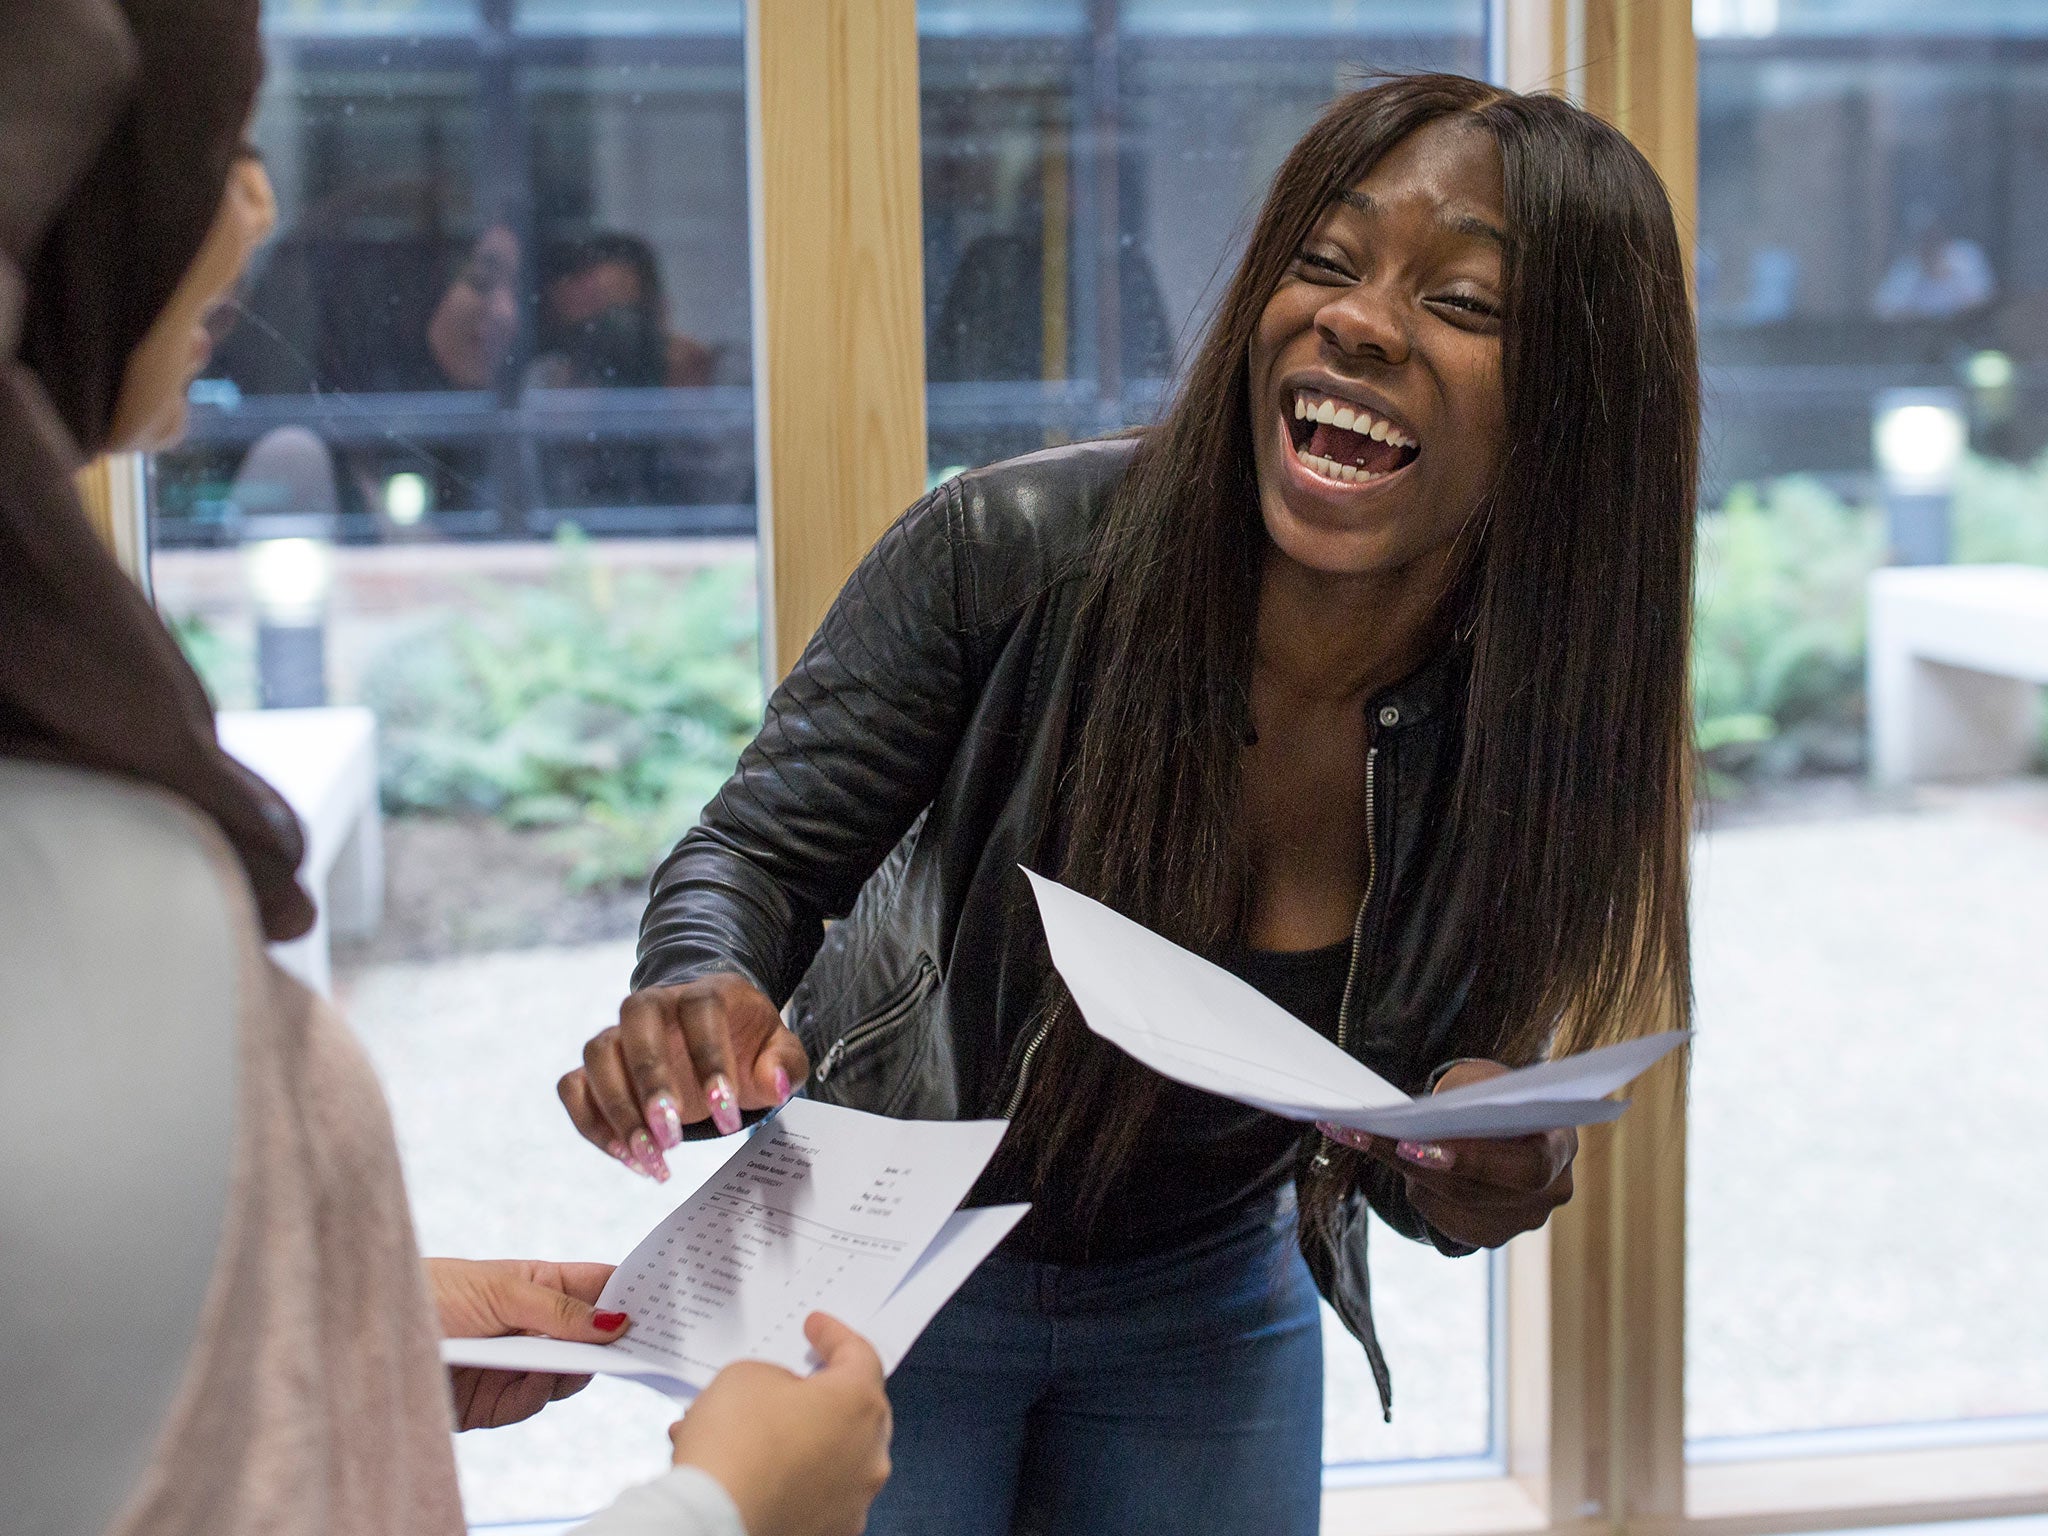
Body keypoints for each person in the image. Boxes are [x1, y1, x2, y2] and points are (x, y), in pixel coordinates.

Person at [560, 72, 1700, 1536]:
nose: (1357, 319)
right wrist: (700, 981)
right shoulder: (1003, 550)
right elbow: (755, 856)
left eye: (1465, 305)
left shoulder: (1545, 712)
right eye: (1328, 260)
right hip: (896, 1271)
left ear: (1575, 411)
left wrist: (1476, 1164)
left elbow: (1419, 1133)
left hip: (1209, 1292)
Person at [0, 5, 890, 1535]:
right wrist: (732, 1508)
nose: (262, 207)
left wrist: (359, 1309)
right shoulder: (78, 884)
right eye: (222, 144)